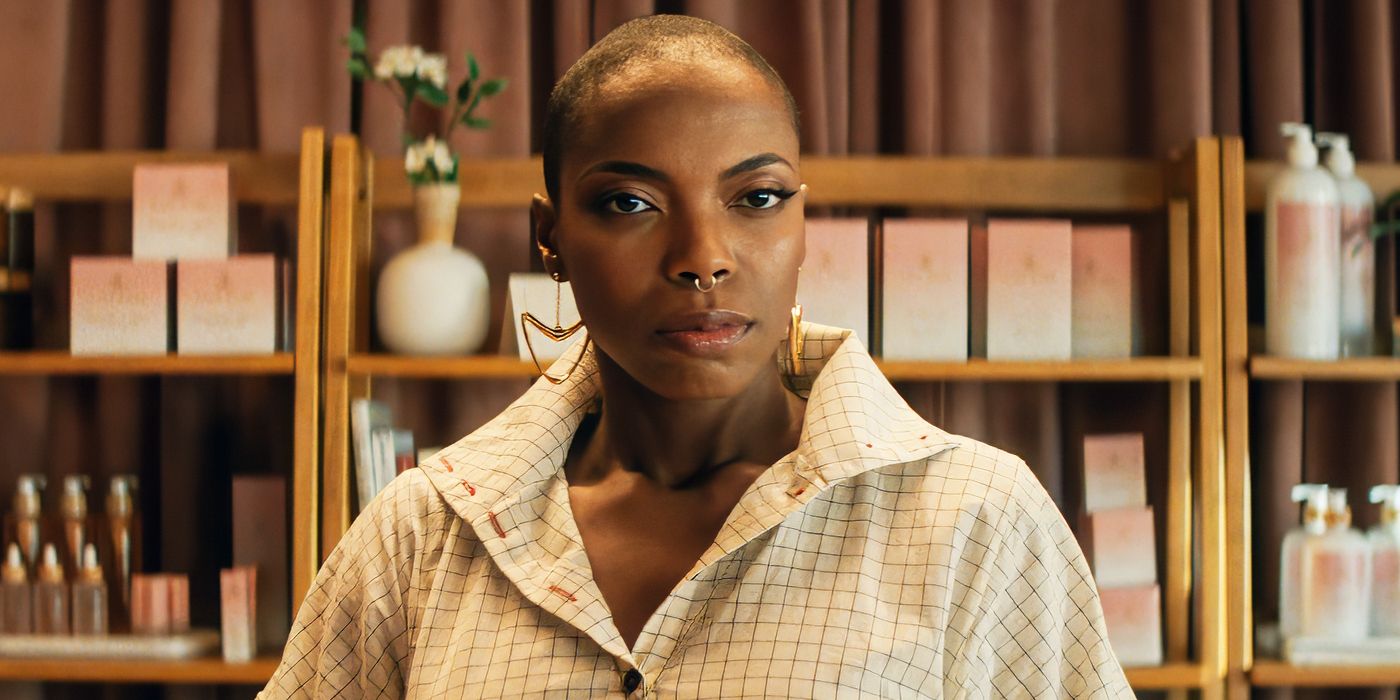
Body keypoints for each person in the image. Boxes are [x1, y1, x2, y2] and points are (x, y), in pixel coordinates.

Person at [260, 14, 1131, 698]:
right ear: (549, 238)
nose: (701, 256)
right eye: (632, 203)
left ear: (799, 224)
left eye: (755, 196)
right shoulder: (424, 536)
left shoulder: (976, 521)